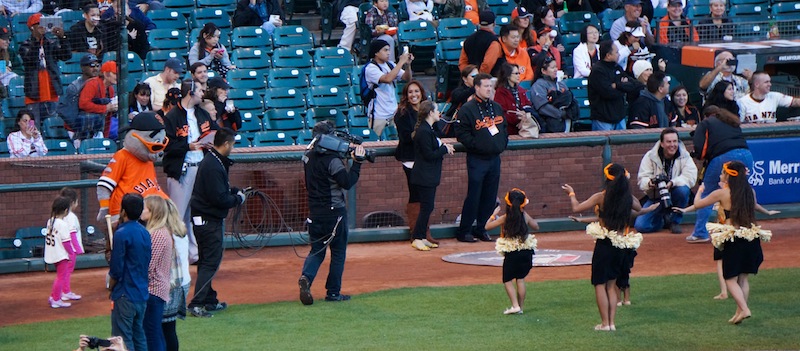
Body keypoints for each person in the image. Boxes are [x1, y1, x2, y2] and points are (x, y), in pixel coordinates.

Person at [674, 161, 777, 324]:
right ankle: (739, 313)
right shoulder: (750, 191)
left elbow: (698, 204)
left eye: (723, 173)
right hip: (751, 238)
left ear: (729, 175)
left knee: (729, 278)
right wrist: (768, 211)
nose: (721, 175)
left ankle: (744, 309)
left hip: (734, 239)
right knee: (743, 279)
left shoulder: (722, 193)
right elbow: (756, 206)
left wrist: (700, 191)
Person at [561, 164, 655, 331]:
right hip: (621, 245)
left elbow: (576, 207)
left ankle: (604, 323)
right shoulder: (629, 198)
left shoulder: (600, 197)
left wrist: (572, 194)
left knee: (599, 284)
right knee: (611, 286)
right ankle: (611, 323)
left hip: (605, 244)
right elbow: (639, 209)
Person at [298, 120, 366, 305]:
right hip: (334, 213)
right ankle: (333, 292)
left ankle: (307, 277)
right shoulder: (332, 160)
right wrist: (357, 163)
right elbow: (347, 181)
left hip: (315, 213)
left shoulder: (308, 156)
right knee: (338, 253)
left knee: (317, 251)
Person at [187, 127, 244, 317]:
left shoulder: (214, 160)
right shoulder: (212, 164)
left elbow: (219, 191)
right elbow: (219, 199)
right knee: (210, 262)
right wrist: (238, 199)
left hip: (205, 219)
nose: (233, 148)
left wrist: (233, 191)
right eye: (232, 145)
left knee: (207, 261)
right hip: (207, 220)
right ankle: (197, 303)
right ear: (226, 144)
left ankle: (209, 300)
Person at [163, 80, 217, 265]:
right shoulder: (172, 117)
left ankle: (193, 255)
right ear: (190, 93)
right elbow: (167, 146)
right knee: (178, 215)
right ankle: (176, 255)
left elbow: (215, 133)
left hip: (200, 170)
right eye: (200, 90)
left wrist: (211, 142)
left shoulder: (202, 114)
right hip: (181, 172)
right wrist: (188, 146)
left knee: (196, 214)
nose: (203, 92)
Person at [454, 73, 509, 242]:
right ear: (476, 88)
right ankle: (464, 231)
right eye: (485, 86)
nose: (489, 89)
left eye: (490, 86)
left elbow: (504, 129)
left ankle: (481, 229)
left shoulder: (496, 107)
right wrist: (478, 146)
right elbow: (461, 134)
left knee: (490, 196)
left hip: (494, 158)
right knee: (474, 195)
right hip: (477, 159)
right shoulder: (467, 109)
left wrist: (501, 144)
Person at [688, 106, 752, 243]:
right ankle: (745, 229)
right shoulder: (731, 121)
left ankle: (700, 233)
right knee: (742, 191)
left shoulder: (705, 123)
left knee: (707, 192)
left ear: (706, 115)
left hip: (723, 156)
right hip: (747, 155)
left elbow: (700, 150)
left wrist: (696, 155)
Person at [485, 188, 540, 315]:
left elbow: (487, 227)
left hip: (512, 253)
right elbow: (536, 226)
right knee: (520, 279)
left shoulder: (505, 218)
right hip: (526, 251)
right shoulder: (524, 216)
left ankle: (515, 306)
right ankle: (520, 307)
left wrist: (493, 215)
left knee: (507, 280)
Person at [409, 101, 455, 250]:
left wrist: (444, 147)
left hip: (429, 175)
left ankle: (421, 236)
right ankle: (417, 237)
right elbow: (429, 154)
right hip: (424, 176)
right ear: (430, 113)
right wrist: (444, 149)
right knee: (426, 207)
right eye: (436, 111)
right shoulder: (424, 131)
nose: (439, 113)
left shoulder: (428, 129)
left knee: (428, 207)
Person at [634, 127, 697, 234]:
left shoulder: (684, 155)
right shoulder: (650, 156)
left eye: (675, 141)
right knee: (641, 227)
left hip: (675, 193)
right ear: (662, 143)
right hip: (656, 197)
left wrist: (673, 183)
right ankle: (663, 220)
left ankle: (674, 221)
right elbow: (642, 179)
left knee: (683, 190)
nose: (672, 145)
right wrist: (650, 183)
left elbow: (690, 177)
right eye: (668, 142)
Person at [108, 193, 151, 351]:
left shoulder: (121, 233)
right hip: (141, 293)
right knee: (139, 336)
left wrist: (110, 287)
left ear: (123, 211)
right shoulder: (145, 232)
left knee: (122, 340)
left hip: (125, 294)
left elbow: (116, 269)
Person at [141, 195, 180, 351]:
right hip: (157, 289)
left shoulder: (157, 234)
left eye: (144, 208)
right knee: (155, 333)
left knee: (151, 334)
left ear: (153, 212)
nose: (141, 211)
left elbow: (149, 266)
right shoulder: (160, 232)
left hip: (153, 290)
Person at [19, 12, 72, 127]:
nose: (42, 27)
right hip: (34, 94)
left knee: (52, 126)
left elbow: (66, 56)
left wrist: (62, 38)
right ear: (32, 27)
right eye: (39, 24)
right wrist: (37, 41)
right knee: (33, 127)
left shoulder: (51, 43)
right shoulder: (25, 45)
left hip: (52, 91)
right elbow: (30, 59)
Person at [394, 81, 430, 244]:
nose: (413, 94)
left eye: (416, 91)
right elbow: (406, 137)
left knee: (427, 196)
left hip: (426, 159)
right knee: (416, 194)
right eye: (410, 92)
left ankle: (424, 232)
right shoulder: (402, 113)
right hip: (410, 159)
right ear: (406, 95)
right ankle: (416, 233)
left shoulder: (427, 111)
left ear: (421, 93)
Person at [364, 39, 413, 138]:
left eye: (389, 50)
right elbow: (387, 79)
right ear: (376, 52)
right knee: (377, 143)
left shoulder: (390, 65)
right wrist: (401, 62)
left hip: (394, 113)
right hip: (378, 115)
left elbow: (407, 78)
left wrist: (407, 65)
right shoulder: (370, 68)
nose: (388, 53)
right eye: (385, 50)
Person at [160, 199, 188, 351]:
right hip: (182, 283)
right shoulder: (181, 229)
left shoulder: (164, 234)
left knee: (161, 328)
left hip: (170, 285)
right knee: (169, 328)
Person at [44, 196, 79, 308]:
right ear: (65, 211)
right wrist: (71, 253)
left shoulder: (50, 221)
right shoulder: (62, 224)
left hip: (52, 252)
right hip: (61, 254)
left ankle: (54, 296)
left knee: (60, 276)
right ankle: (56, 299)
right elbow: (66, 243)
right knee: (61, 277)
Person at [588, 40, 627, 131]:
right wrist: (622, 86)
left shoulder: (617, 67)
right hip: (603, 119)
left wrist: (617, 86)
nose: (619, 55)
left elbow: (630, 84)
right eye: (616, 52)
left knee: (624, 145)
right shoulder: (598, 71)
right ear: (608, 55)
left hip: (619, 117)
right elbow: (607, 92)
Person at [531, 57, 577, 133]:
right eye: (552, 68)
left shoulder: (561, 84)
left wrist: (571, 112)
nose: (556, 69)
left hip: (565, 121)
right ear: (543, 71)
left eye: (556, 67)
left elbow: (571, 100)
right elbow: (543, 107)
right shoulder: (539, 85)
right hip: (549, 124)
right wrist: (562, 114)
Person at [79, 60, 118, 139]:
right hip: (81, 129)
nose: (117, 76)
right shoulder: (93, 84)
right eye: (114, 74)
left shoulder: (111, 89)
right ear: (105, 74)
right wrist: (105, 108)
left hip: (98, 128)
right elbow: (83, 104)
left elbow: (107, 117)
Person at [496, 63, 535, 136]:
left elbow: (528, 105)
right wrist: (517, 118)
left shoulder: (521, 90)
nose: (518, 76)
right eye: (516, 73)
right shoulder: (500, 92)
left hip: (525, 127)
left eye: (519, 73)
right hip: (508, 130)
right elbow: (500, 113)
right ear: (508, 75)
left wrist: (525, 114)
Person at [59, 187, 85, 298]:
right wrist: (78, 249)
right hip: (70, 250)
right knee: (66, 272)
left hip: (63, 248)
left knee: (64, 272)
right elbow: (72, 235)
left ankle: (64, 291)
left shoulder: (60, 215)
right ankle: (65, 291)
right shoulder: (71, 217)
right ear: (72, 202)